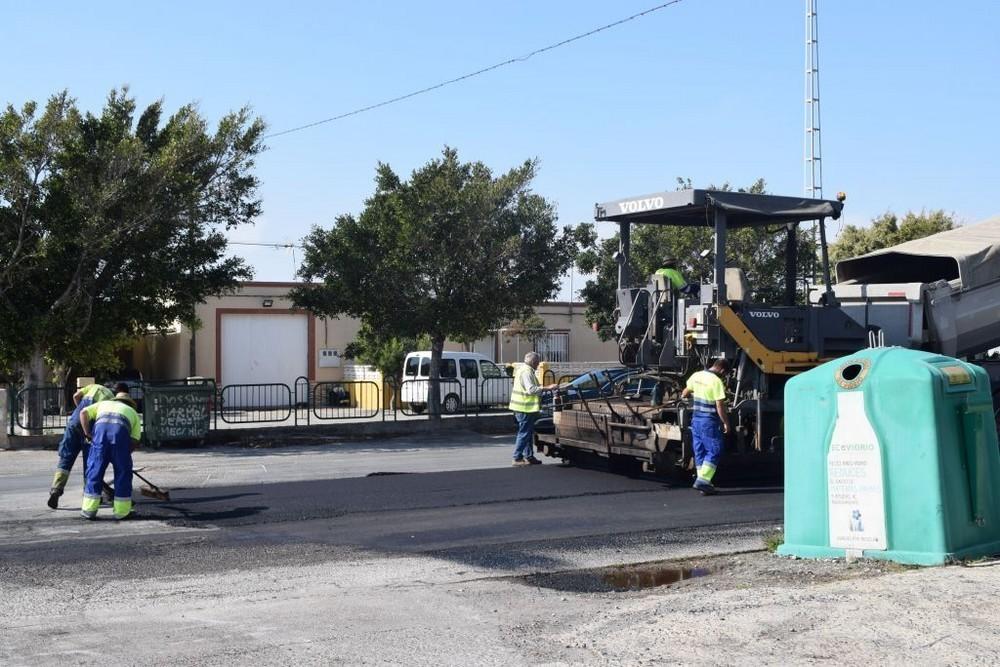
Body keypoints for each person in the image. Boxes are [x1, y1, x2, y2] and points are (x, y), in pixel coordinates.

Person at [46, 380, 126, 509]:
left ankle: (56, 489)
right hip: (90, 428)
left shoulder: (93, 386)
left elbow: (76, 396)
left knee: (66, 459)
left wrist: (80, 409)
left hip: (74, 424)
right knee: (90, 463)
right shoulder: (111, 400)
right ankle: (90, 494)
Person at [79, 391, 142, 520]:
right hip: (120, 442)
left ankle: (89, 510)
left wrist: (87, 434)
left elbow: (83, 413)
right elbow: (135, 440)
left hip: (99, 441)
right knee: (123, 475)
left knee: (94, 473)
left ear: (115, 400)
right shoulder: (133, 413)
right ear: (129, 403)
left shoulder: (103, 404)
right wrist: (124, 455)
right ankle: (122, 512)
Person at [680, 359, 730, 495]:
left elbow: (685, 393)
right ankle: (703, 480)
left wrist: (689, 395)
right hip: (709, 421)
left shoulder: (697, 375)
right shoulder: (717, 382)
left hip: (696, 419)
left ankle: (704, 482)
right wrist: (726, 422)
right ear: (722, 371)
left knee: (700, 450)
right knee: (715, 450)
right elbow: (720, 406)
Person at [508, 351, 558, 466]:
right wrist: (548, 388)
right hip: (525, 408)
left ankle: (529, 456)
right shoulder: (527, 372)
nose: (538, 365)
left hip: (522, 407)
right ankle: (517, 457)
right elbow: (531, 389)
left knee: (527, 433)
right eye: (537, 362)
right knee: (524, 433)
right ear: (533, 362)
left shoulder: (523, 369)